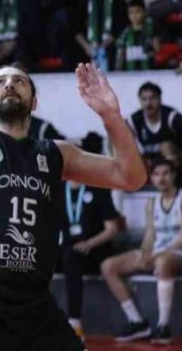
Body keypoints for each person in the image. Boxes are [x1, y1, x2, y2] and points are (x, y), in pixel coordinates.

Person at [0, 64, 146, 350]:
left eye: (19, 81)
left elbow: (131, 177)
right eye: (0, 81)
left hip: (37, 303)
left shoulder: (55, 153)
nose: (9, 84)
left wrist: (110, 115)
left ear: (34, 102)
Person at [101, 159, 182, 343]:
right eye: (156, 174)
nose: (161, 178)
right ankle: (137, 321)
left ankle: (164, 326)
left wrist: (155, 256)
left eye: (165, 173)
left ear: (174, 175)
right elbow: (149, 236)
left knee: (162, 264)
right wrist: (145, 253)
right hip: (157, 252)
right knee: (108, 266)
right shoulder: (151, 202)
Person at [59, 132, 124, 337]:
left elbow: (112, 228)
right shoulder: (58, 188)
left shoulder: (98, 188)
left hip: (96, 249)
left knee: (72, 256)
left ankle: (75, 322)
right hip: (69, 248)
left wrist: (89, 243)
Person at [129, 82, 182, 181]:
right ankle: (120, 190)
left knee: (166, 146)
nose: (148, 103)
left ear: (160, 99)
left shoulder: (172, 118)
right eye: (144, 99)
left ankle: (175, 185)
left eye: (152, 98)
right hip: (154, 169)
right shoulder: (135, 120)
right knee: (120, 143)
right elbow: (114, 137)